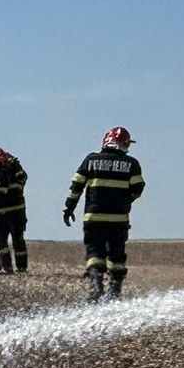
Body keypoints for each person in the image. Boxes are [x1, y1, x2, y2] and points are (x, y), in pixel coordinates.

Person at [63, 127, 145, 301]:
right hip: (119, 219)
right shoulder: (132, 164)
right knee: (117, 255)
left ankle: (95, 287)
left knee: (95, 253)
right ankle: (115, 291)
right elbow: (138, 188)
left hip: (93, 218)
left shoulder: (90, 160)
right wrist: (125, 201)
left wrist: (69, 208)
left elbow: (76, 187)